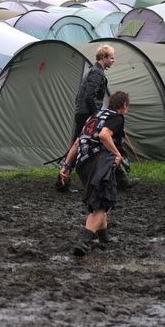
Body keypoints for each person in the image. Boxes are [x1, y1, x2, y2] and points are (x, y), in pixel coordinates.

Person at [59, 92, 131, 256]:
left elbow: (78, 142)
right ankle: (83, 241)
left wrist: (67, 166)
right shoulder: (117, 117)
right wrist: (117, 154)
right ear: (124, 105)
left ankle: (104, 238)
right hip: (99, 162)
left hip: (82, 163)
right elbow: (104, 135)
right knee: (102, 204)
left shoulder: (94, 116)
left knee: (100, 200)